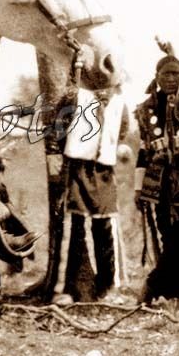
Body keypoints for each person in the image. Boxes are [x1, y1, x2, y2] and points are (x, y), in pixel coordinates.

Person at [46, 86, 130, 304]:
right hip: (76, 168)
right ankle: (63, 288)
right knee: (72, 227)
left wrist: (112, 149)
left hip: (103, 171)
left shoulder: (119, 103)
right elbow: (57, 130)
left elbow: (121, 131)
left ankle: (109, 287)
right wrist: (60, 160)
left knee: (107, 228)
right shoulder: (75, 97)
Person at [135, 53, 179, 301]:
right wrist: (137, 188)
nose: (172, 78)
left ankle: (153, 285)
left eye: (176, 73)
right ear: (157, 77)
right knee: (168, 235)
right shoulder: (146, 110)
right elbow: (143, 152)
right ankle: (173, 292)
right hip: (159, 183)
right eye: (167, 73)